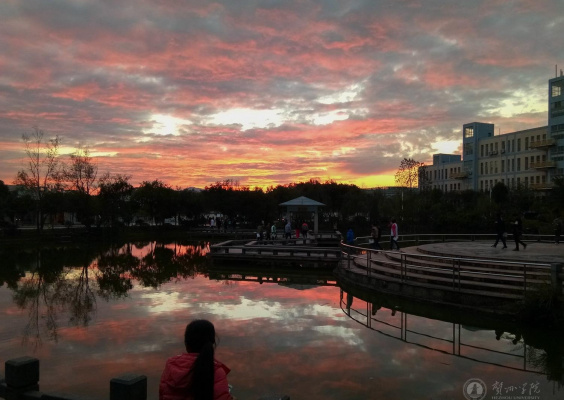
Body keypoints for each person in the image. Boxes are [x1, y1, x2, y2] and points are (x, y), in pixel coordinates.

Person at [159, 320, 233, 400]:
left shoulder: (170, 365)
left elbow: (162, 395)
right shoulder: (215, 371)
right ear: (211, 343)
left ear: (186, 343)